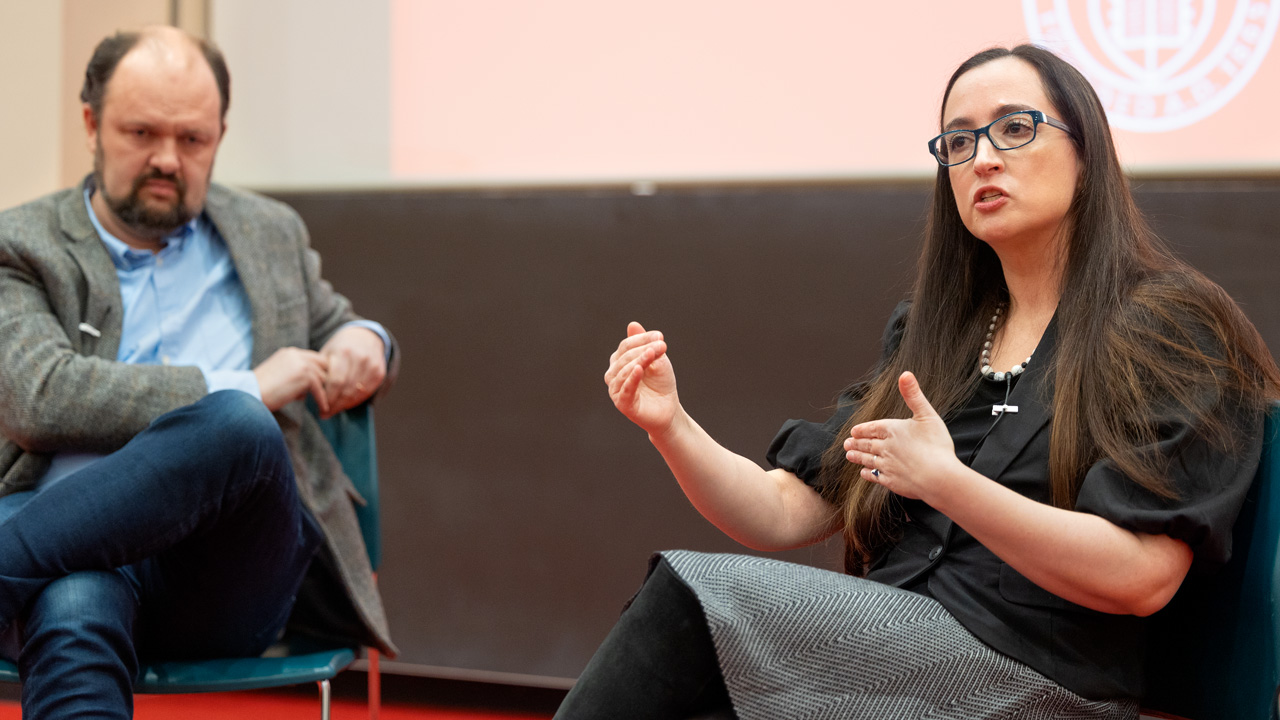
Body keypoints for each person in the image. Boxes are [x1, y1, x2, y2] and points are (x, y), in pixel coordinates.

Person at [558, 45, 1280, 719]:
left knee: (688, 596)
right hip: (895, 643)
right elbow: (783, 514)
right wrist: (671, 426)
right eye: (959, 143)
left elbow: (1141, 578)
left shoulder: (1167, 325)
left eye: (1015, 129)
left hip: (1037, 677)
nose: (983, 158)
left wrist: (948, 483)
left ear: (1086, 154)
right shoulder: (937, 332)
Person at [0, 26, 398, 719]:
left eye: (193, 140)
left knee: (240, 428)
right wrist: (247, 382)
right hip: (72, 554)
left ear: (220, 134)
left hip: (226, 574)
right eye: (142, 133)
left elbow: (336, 322)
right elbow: (39, 398)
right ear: (92, 124)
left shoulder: (267, 233)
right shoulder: (23, 244)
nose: (167, 159)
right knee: (74, 596)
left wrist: (369, 340)